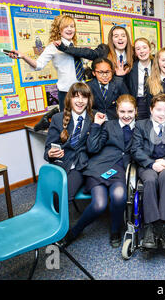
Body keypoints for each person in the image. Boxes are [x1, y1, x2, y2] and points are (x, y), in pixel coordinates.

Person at [60, 95, 136, 248]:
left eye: (130, 112)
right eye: (122, 112)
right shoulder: (109, 126)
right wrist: (96, 125)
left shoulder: (141, 127)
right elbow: (93, 148)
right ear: (116, 111)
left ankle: (115, 231)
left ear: (136, 111)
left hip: (121, 169)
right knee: (99, 204)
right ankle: (74, 232)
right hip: (99, 167)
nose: (126, 115)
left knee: (119, 195)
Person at [131, 93, 165, 249]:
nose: (162, 114)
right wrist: (151, 163)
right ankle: (150, 227)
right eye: (158, 110)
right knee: (150, 179)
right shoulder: (141, 126)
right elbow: (135, 150)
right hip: (148, 166)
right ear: (151, 110)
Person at [8, 15, 83, 111]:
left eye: (72, 26)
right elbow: (38, 65)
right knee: (67, 122)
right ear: (59, 30)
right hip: (66, 92)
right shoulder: (53, 47)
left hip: (82, 91)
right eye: (65, 27)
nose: (69, 29)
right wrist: (23, 56)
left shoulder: (76, 46)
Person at [44, 82, 94, 209]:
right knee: (50, 196)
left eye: (84, 97)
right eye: (76, 96)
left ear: (89, 100)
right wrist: (50, 153)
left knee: (63, 197)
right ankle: (54, 224)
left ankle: (64, 227)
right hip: (61, 164)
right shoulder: (57, 118)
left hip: (80, 166)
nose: (80, 101)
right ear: (69, 99)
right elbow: (47, 150)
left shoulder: (94, 118)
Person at [55, 25, 134, 78]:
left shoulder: (133, 53)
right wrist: (65, 48)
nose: (120, 38)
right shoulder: (104, 50)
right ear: (112, 40)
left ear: (127, 38)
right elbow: (87, 52)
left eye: (123, 36)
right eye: (116, 36)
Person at [125, 37, 153, 120]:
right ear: (135, 52)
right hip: (138, 103)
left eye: (144, 47)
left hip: (155, 102)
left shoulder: (157, 65)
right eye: (138, 49)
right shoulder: (130, 69)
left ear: (150, 49)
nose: (142, 51)